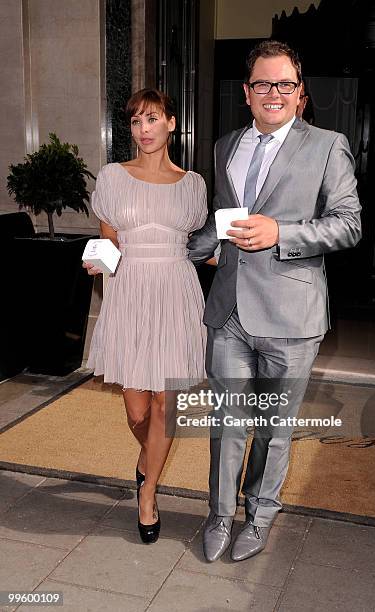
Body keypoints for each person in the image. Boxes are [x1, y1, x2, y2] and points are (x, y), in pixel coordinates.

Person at [187, 40, 361, 562]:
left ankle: (260, 515)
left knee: (274, 430)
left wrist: (280, 231)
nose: (274, 93)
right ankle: (219, 515)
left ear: (301, 95)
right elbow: (218, 226)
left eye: (285, 84)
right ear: (247, 92)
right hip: (230, 312)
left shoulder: (328, 145)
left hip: (292, 316)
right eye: (263, 83)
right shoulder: (224, 147)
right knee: (228, 424)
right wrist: (168, 246)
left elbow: (348, 224)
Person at [83, 88, 207, 544]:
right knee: (137, 410)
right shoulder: (113, 177)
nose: (143, 130)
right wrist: (98, 260)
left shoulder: (193, 184)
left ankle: (147, 493)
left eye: (152, 119)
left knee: (164, 405)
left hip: (176, 293)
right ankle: (148, 460)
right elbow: (110, 243)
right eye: (135, 122)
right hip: (131, 293)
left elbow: (196, 245)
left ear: (172, 123)